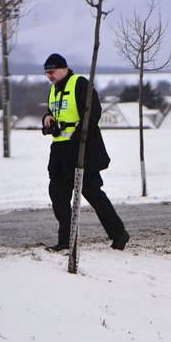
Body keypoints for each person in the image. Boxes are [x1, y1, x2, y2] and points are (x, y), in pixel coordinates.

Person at [42, 53, 129, 251]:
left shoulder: (79, 84)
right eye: (46, 73)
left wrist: (78, 141)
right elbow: (55, 112)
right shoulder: (53, 90)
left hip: (81, 150)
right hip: (59, 153)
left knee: (93, 194)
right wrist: (47, 117)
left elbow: (93, 114)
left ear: (64, 68)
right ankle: (66, 241)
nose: (49, 76)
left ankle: (119, 234)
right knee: (57, 194)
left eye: (52, 71)